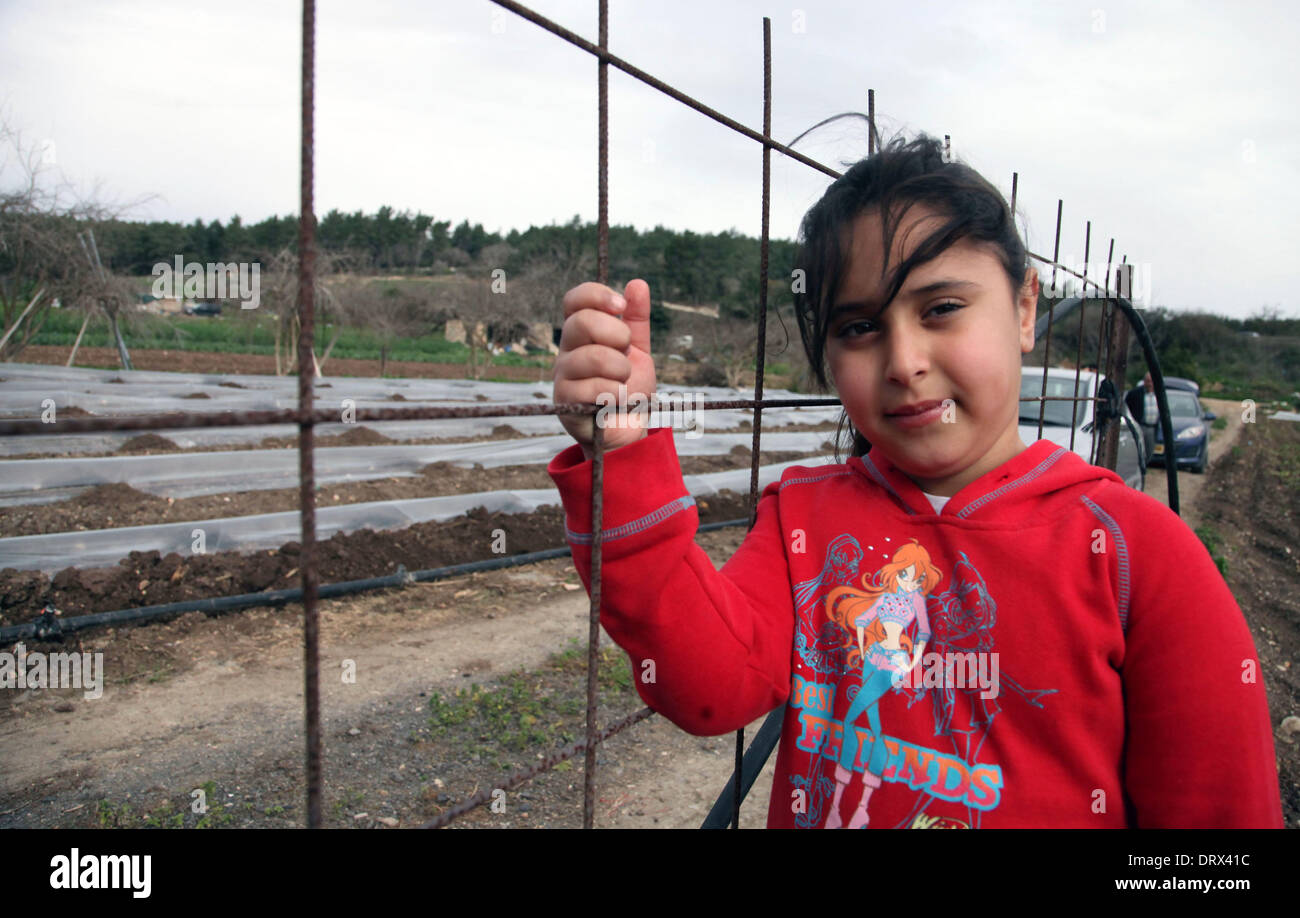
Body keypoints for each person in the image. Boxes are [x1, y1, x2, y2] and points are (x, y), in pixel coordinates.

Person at [548, 134, 1283, 829]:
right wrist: (624, 457)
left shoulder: (1140, 554)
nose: (904, 361)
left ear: (1025, 307)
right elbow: (708, 689)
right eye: (860, 327)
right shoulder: (803, 521)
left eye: (941, 309)